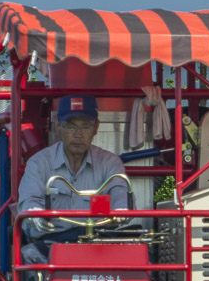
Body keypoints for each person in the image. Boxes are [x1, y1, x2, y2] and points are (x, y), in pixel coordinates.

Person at [16, 95, 132, 267]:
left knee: (140, 256)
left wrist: (121, 209)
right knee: (30, 255)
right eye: (70, 126)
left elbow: (119, 192)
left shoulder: (110, 163)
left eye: (86, 126)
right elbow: (30, 200)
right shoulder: (39, 163)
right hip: (53, 243)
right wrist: (34, 214)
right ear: (58, 127)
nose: (78, 134)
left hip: (98, 241)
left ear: (96, 128)